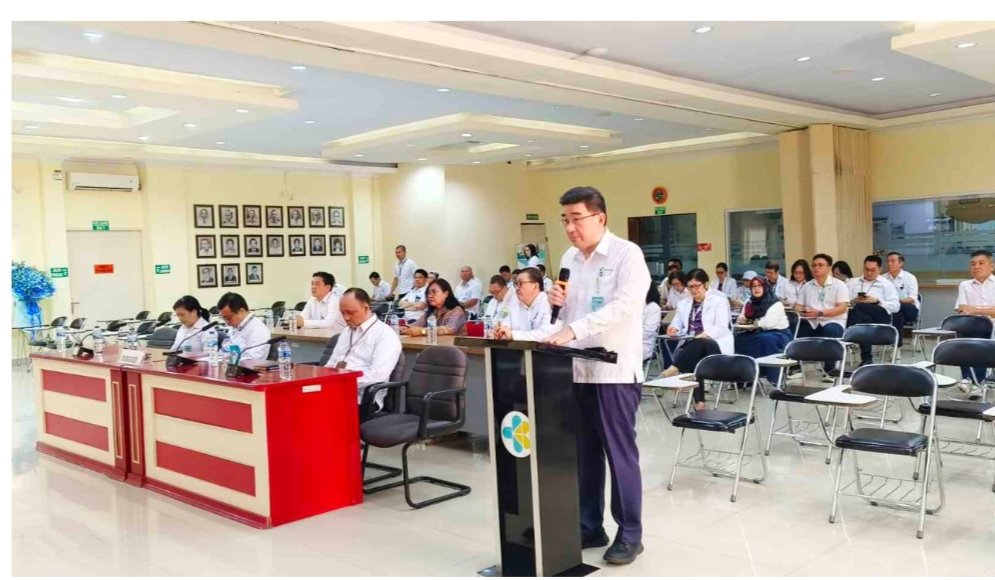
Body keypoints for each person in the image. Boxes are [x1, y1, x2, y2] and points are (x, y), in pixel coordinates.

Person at [510, 187, 650, 565]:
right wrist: (556, 308)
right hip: (575, 370)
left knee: (619, 456)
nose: (570, 228)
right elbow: (565, 320)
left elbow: (623, 308)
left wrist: (573, 329)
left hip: (613, 373)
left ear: (599, 218)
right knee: (584, 456)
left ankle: (630, 534)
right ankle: (589, 525)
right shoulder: (570, 258)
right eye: (565, 220)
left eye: (577, 219)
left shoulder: (627, 255)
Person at [659, 269, 734, 411]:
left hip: (715, 345)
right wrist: (673, 328)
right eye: (690, 287)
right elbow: (677, 323)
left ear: (705, 284)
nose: (693, 290)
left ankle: (670, 371)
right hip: (692, 347)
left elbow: (722, 327)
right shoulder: (684, 303)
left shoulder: (719, 300)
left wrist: (704, 335)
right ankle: (699, 403)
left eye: (696, 286)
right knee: (695, 357)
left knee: (700, 342)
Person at [325, 288, 402, 409]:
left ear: (366, 308)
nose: (346, 318)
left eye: (350, 312)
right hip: (336, 391)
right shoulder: (347, 331)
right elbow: (331, 364)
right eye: (342, 313)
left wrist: (343, 382)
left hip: (363, 398)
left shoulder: (385, 334)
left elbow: (378, 375)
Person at [795, 254, 850, 372]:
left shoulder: (839, 285)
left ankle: (830, 369)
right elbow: (798, 306)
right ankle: (795, 366)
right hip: (811, 321)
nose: (816, 268)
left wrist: (820, 313)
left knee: (830, 330)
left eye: (820, 265)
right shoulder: (807, 285)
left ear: (829, 268)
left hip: (833, 321)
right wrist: (803, 312)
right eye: (814, 265)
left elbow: (842, 308)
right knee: (795, 327)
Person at [734, 277, 793, 385]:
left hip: (778, 334)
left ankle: (775, 378)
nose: (756, 288)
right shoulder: (749, 302)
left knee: (766, 339)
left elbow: (767, 324)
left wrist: (751, 321)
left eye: (759, 286)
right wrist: (742, 319)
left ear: (765, 287)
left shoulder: (775, 303)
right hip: (756, 332)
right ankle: (746, 377)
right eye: (753, 286)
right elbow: (741, 317)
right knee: (739, 339)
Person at [846, 255, 900, 366]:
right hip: (859, 315)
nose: (869, 273)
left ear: (880, 270)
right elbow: (843, 303)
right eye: (866, 269)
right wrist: (853, 301)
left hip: (879, 315)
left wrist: (878, 301)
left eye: (873, 270)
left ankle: (850, 330)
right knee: (864, 318)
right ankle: (866, 358)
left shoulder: (886, 284)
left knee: (861, 308)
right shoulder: (852, 282)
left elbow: (896, 307)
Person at [953, 250, 995, 387]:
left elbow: (970, 309)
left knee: (979, 332)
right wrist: (987, 311)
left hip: (991, 325)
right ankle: (970, 379)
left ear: (992, 266)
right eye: (973, 264)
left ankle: (975, 381)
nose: (976, 267)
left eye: (981, 263)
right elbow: (962, 309)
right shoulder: (965, 285)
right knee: (964, 331)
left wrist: (976, 310)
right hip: (972, 325)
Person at [492, 267, 551, 335]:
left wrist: (512, 335)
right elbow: (503, 321)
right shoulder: (513, 302)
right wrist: (502, 329)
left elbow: (545, 334)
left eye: (520, 283)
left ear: (535, 286)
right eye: (516, 284)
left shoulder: (549, 303)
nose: (517, 288)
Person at [401, 278, 468, 337]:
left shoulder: (457, 311)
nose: (430, 296)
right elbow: (418, 324)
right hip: (437, 345)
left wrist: (422, 331)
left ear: (446, 294)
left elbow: (449, 329)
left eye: (434, 292)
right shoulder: (433, 311)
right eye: (428, 293)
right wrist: (406, 327)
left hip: (455, 347)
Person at [217, 293, 271, 363]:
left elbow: (251, 360)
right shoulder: (236, 326)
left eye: (229, 318)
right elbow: (225, 350)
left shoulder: (258, 329)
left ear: (241, 311)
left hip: (245, 368)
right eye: (224, 318)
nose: (227, 323)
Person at [883, 251, 920, 349]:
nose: (889, 264)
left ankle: (895, 344)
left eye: (892, 261)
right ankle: (896, 345)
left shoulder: (910, 278)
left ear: (901, 263)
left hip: (909, 310)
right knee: (897, 314)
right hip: (890, 310)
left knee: (898, 308)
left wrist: (896, 301)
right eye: (888, 261)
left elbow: (912, 298)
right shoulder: (883, 278)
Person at [642, 282, 662, 362]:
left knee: (615, 357)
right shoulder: (630, 305)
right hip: (623, 343)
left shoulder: (653, 307)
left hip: (642, 345)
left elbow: (646, 334)